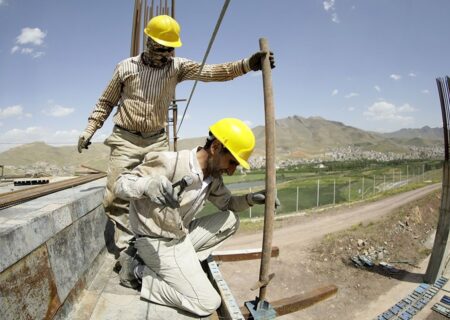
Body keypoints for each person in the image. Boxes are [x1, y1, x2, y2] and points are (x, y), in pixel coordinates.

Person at [77, 15, 275, 252]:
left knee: (160, 192)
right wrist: (90, 129)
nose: (164, 54)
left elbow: (211, 72)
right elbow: (106, 102)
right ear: (148, 40)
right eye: (159, 48)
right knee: (114, 199)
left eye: (169, 49)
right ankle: (126, 249)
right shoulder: (125, 67)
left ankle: (150, 244)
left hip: (157, 141)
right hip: (126, 139)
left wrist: (246, 65)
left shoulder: (177, 67)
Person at [113, 118, 280, 316]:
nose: (232, 170)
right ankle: (137, 271)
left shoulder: (213, 178)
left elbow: (227, 204)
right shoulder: (172, 162)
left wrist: (252, 198)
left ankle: (182, 266)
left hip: (179, 236)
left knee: (231, 220)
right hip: (156, 242)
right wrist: (147, 185)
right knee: (207, 302)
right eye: (232, 162)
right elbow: (121, 184)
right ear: (216, 147)